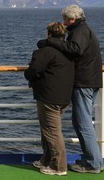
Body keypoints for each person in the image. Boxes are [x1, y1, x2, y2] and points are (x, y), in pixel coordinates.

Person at [37, 4, 104, 173]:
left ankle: (93, 163)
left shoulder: (80, 30)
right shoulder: (82, 29)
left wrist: (50, 42)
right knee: (81, 122)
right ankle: (94, 160)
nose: (64, 22)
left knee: (83, 123)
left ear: (72, 19)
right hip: (89, 81)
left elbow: (75, 49)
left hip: (84, 82)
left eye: (65, 19)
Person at [25, 22, 74, 176]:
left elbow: (32, 72)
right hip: (64, 97)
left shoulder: (45, 52)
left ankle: (59, 166)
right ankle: (46, 159)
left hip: (49, 97)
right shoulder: (69, 52)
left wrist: (30, 74)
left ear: (49, 34)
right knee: (48, 130)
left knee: (52, 132)